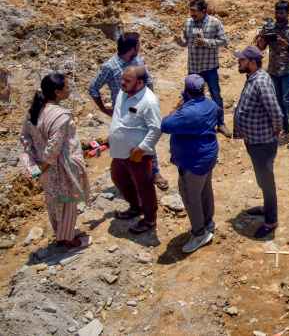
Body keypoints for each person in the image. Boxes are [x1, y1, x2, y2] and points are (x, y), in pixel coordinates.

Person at [89, 32, 169, 191]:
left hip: (142, 109)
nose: (141, 47)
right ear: (132, 48)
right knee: (126, 145)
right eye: (139, 44)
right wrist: (104, 109)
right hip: (124, 115)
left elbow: (149, 81)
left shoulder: (138, 61)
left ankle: (154, 172)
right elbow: (93, 88)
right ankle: (130, 177)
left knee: (148, 141)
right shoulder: (110, 66)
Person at [19, 73, 90, 249]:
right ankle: (68, 240)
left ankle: (61, 234)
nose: (69, 89)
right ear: (58, 92)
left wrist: (36, 163)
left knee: (53, 202)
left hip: (44, 167)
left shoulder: (33, 111)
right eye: (67, 87)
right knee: (68, 202)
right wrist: (45, 165)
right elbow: (54, 147)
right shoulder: (61, 116)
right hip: (60, 167)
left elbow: (24, 138)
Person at [160, 75, 220, 253]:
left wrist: (179, 106)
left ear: (186, 91)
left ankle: (199, 233)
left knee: (190, 196)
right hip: (208, 155)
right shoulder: (210, 104)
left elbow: (165, 125)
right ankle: (208, 222)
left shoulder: (187, 112)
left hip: (193, 161)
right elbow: (218, 112)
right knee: (205, 190)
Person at [232, 46, 282, 239]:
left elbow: (275, 111)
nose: (239, 62)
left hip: (263, 142)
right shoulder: (253, 78)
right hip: (255, 140)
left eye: (242, 60)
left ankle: (271, 221)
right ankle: (267, 207)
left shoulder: (261, 81)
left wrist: (275, 130)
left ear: (252, 62)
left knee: (267, 181)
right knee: (262, 179)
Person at [108, 66, 162, 235]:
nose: (122, 83)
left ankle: (149, 219)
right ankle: (135, 207)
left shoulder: (149, 101)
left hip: (137, 155)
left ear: (139, 83)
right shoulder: (123, 93)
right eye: (122, 79)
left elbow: (156, 129)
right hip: (119, 152)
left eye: (127, 80)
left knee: (144, 186)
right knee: (119, 179)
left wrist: (142, 149)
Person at [176, 0, 229, 136]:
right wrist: (179, 41)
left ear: (203, 11)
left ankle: (220, 123)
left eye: (194, 11)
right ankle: (190, 123)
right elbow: (185, 42)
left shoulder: (215, 23)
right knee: (189, 97)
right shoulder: (188, 22)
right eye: (190, 10)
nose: (191, 14)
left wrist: (206, 42)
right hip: (193, 67)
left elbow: (224, 41)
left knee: (215, 95)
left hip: (209, 67)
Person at [254, 0, 289, 147]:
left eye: (282, 13)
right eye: (277, 12)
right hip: (273, 71)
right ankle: (285, 130)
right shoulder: (270, 27)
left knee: (287, 100)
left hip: (287, 70)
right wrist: (262, 36)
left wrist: (285, 44)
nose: (279, 15)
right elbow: (261, 48)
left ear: (288, 13)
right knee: (278, 102)